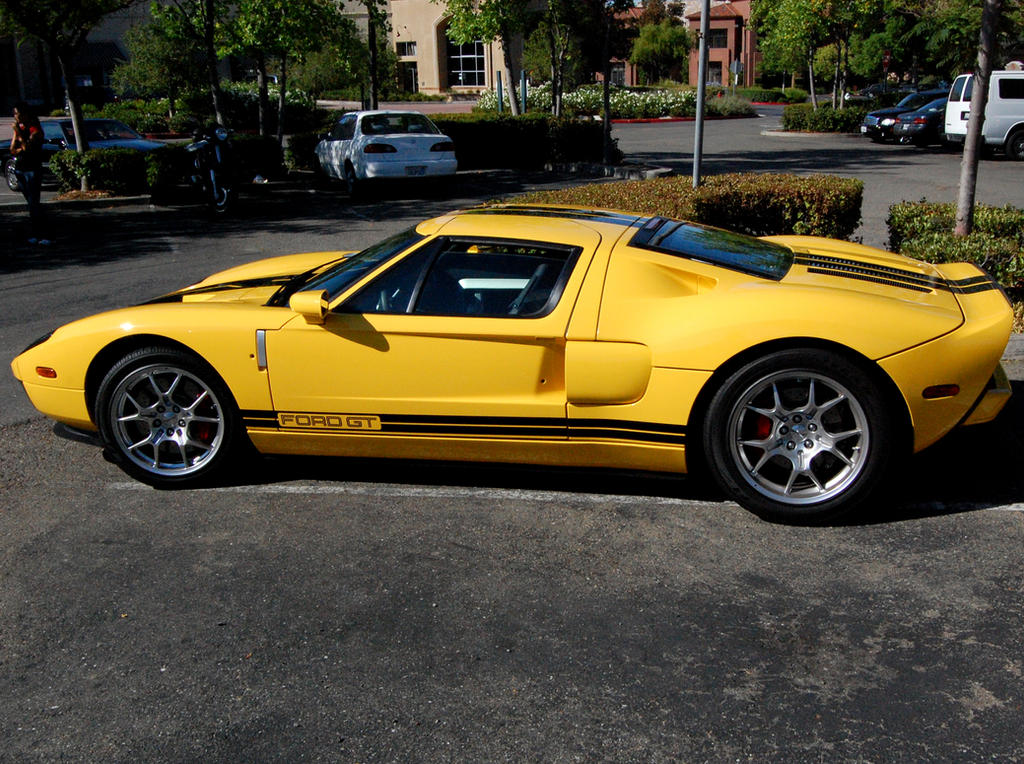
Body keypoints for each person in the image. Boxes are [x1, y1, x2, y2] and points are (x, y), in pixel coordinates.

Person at [10, 102, 50, 245]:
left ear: (25, 114)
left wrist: (21, 136)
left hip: (32, 169)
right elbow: (13, 149)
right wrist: (19, 137)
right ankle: (36, 233)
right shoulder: (19, 129)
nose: (15, 117)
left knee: (34, 203)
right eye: (14, 114)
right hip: (21, 168)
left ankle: (44, 234)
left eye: (17, 113)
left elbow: (27, 148)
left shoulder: (35, 130)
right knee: (30, 203)